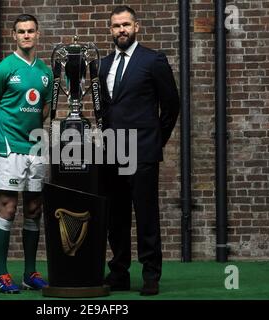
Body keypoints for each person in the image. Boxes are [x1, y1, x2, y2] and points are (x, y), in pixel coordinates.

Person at [99, 6, 180, 295]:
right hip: (111, 151)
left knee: (146, 214)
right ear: (110, 30)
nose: (121, 30)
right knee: (115, 217)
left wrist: (156, 140)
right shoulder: (103, 64)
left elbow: (171, 105)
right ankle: (118, 273)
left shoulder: (153, 60)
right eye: (116, 26)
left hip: (142, 149)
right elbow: (104, 109)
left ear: (137, 27)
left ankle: (150, 275)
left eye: (126, 25)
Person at [0, 14, 52, 294]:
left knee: (34, 209)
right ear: (14, 36)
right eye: (21, 31)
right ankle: (2, 274)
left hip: (35, 148)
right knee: (8, 209)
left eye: (31, 31)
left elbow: (45, 109)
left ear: (37, 34)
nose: (26, 35)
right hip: (8, 150)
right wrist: (1, 134)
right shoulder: (3, 69)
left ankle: (30, 273)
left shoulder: (47, 72)